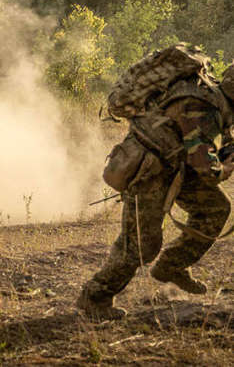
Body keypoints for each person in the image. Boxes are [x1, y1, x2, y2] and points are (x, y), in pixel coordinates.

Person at [77, 65, 234, 320]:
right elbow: (206, 168)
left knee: (215, 208)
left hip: (174, 164)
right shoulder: (202, 106)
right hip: (149, 168)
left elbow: (201, 146)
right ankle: (96, 296)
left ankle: (172, 265)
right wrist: (224, 168)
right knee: (140, 245)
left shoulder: (217, 101)